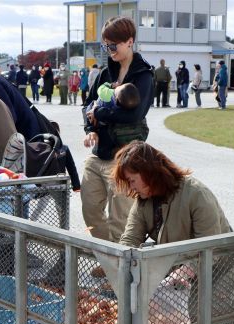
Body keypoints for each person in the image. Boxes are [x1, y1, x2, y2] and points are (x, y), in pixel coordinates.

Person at [114, 141, 233, 323]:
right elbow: (130, 238)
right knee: (179, 323)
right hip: (183, 273)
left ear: (149, 172)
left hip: (221, 267)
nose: (131, 188)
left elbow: (211, 245)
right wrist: (120, 265)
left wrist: (186, 270)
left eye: (132, 180)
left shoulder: (196, 193)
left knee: (220, 323)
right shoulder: (143, 201)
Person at [81, 16, 153, 243]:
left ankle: (118, 272)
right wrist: (89, 128)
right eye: (106, 45)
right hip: (99, 153)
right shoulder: (104, 73)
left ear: (129, 41)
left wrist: (99, 114)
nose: (109, 50)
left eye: (113, 45)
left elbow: (135, 114)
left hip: (125, 157)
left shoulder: (143, 75)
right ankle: (108, 258)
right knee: (90, 210)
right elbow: (87, 104)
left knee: (121, 217)